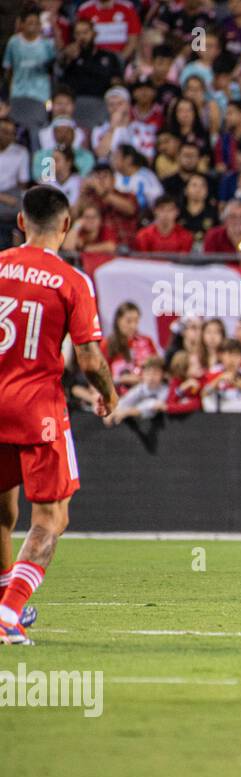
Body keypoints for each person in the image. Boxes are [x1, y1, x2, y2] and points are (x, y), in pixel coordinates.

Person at [0, 185, 116, 644]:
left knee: (2, 513)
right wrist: (108, 394)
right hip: (37, 408)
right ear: (66, 226)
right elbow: (89, 359)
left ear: (22, 223)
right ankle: (9, 614)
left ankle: (5, 603)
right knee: (51, 518)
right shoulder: (71, 280)